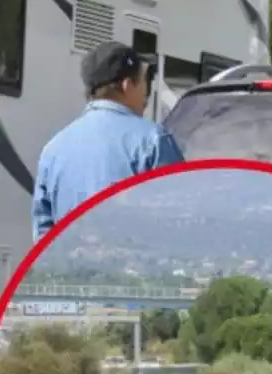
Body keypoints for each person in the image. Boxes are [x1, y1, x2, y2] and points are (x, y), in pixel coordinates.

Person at [32, 42, 184, 241]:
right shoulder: (153, 141)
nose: (146, 95)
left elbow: (43, 233)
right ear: (127, 85)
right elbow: (179, 218)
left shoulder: (52, 150)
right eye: (144, 83)